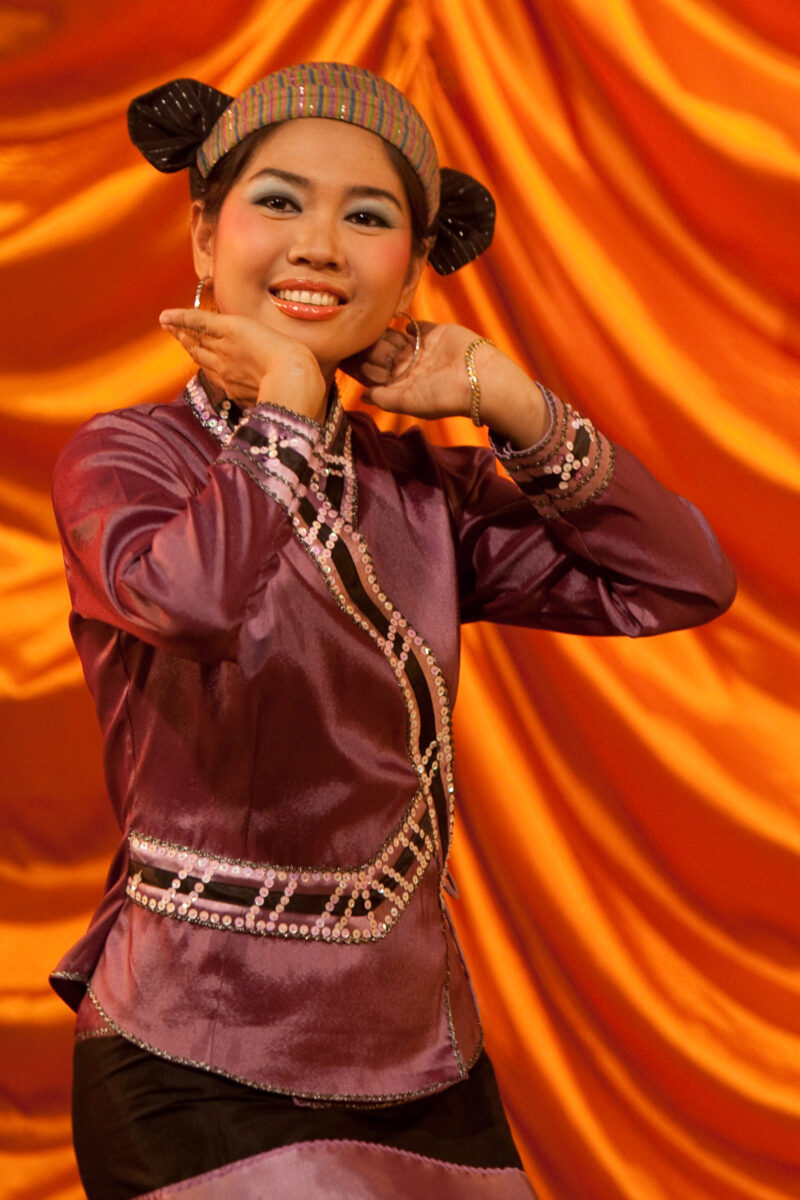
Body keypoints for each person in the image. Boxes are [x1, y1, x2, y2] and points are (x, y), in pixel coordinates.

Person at [50, 62, 736, 1200]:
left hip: (422, 1056)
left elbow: (680, 581)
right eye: (279, 202)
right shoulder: (126, 459)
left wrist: (513, 404)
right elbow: (195, 603)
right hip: (193, 1047)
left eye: (367, 219)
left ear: (411, 271)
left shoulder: (421, 492)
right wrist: (283, 410)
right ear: (204, 237)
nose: (319, 245)